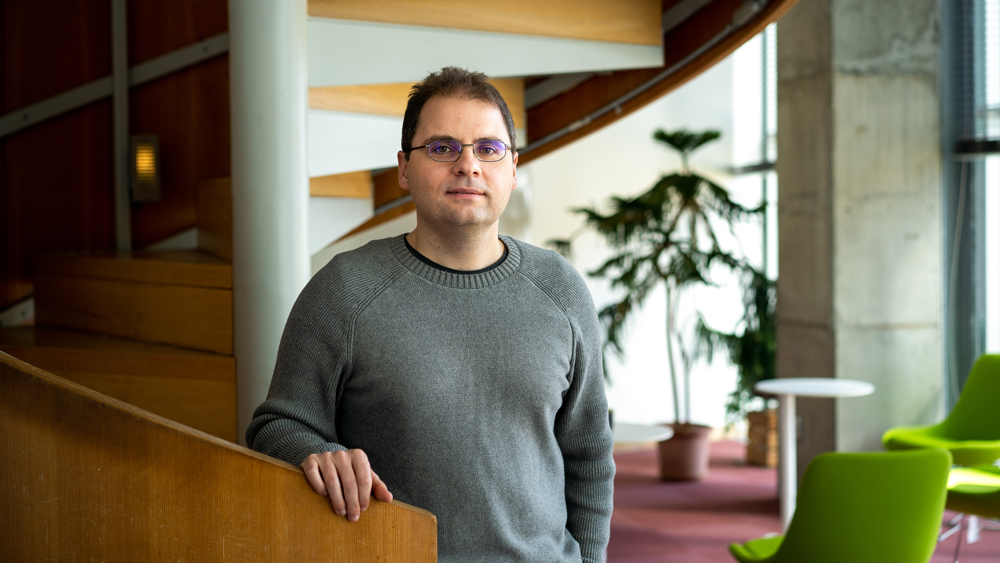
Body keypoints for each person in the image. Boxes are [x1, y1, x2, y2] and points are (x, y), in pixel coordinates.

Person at [246, 66, 615, 563]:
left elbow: (589, 453)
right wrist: (317, 454)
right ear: (403, 168)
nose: (468, 165)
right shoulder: (344, 290)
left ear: (511, 166)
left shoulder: (560, 289)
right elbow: (276, 426)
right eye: (442, 148)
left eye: (489, 148)